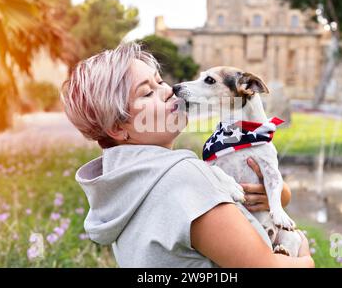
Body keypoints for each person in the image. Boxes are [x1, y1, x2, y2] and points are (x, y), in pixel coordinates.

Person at [60, 42, 314, 268]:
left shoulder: (120, 184)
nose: (169, 90)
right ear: (117, 128)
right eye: (147, 93)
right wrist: (305, 255)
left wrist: (278, 194)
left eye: (160, 81)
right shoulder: (185, 178)